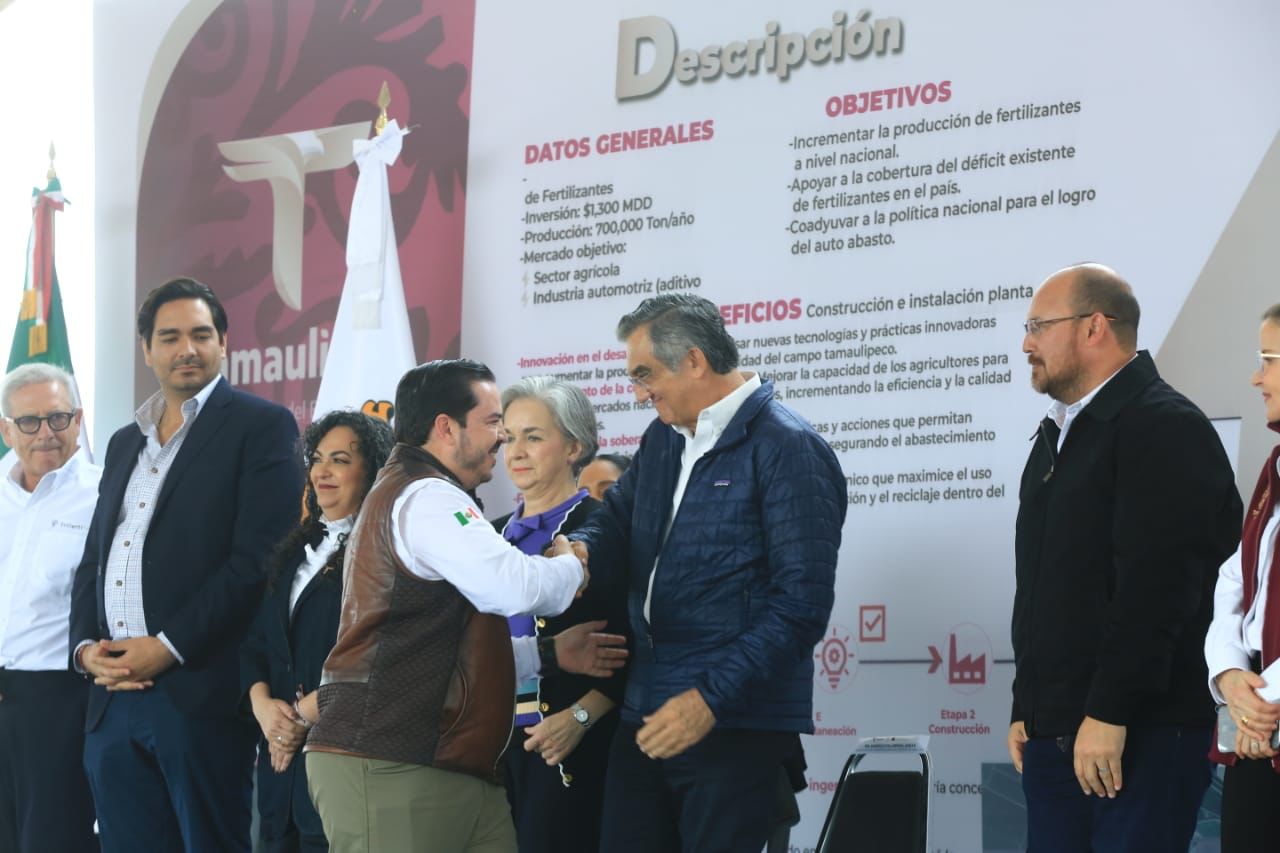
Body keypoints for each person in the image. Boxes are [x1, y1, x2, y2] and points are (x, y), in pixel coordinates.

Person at [569, 294, 848, 852]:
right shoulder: (662, 438)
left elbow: (801, 605)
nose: (639, 393)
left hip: (732, 723)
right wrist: (578, 550)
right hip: (645, 712)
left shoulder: (788, 446)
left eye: (645, 374)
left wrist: (710, 699)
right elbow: (615, 522)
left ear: (694, 360)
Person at [305, 359, 593, 853]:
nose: (501, 438)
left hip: (450, 766)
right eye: (492, 422)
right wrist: (572, 566)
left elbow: (445, 645)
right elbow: (513, 587)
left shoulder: (426, 493)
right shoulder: (426, 496)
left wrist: (545, 654)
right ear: (445, 427)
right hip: (392, 763)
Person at [1008, 263, 1241, 852]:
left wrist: (1111, 711)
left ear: (1095, 327)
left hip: (1140, 734)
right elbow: (1039, 589)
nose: (1027, 344)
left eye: (1038, 326)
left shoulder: (1164, 427)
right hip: (1057, 732)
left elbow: (1158, 590)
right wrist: (1026, 706)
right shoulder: (1056, 437)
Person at [69, 277, 303, 853]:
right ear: (147, 350)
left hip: (200, 695)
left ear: (224, 342)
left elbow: (258, 561)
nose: (187, 349)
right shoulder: (124, 442)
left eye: (201, 334)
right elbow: (94, 560)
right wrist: (85, 651)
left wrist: (168, 646)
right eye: (170, 337)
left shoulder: (260, 426)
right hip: (112, 699)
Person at [241, 410, 394, 852]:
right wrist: (264, 709)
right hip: (281, 778)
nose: (323, 471)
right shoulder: (295, 552)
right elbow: (257, 644)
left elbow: (377, 657)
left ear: (372, 472)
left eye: (340, 460)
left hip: (343, 769)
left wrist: (301, 716)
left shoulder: (382, 555)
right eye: (318, 459)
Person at [495, 376, 629, 853]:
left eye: (533, 437)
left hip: (566, 745)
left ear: (574, 447)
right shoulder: (486, 536)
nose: (516, 452)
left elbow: (637, 642)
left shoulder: (604, 530)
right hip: (485, 749)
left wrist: (580, 716)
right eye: (509, 437)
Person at [0, 364, 99, 852]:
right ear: (6, 430)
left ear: (78, 420)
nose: (45, 433)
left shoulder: (105, 494)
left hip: (59, 698)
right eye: (29, 421)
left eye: (58, 418)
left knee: (51, 839)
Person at [1205, 303, 1280, 851]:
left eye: (1268, 360)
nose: (1256, 378)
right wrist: (1230, 673)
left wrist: (1262, 705)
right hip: (1255, 728)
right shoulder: (1274, 467)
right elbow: (1235, 580)